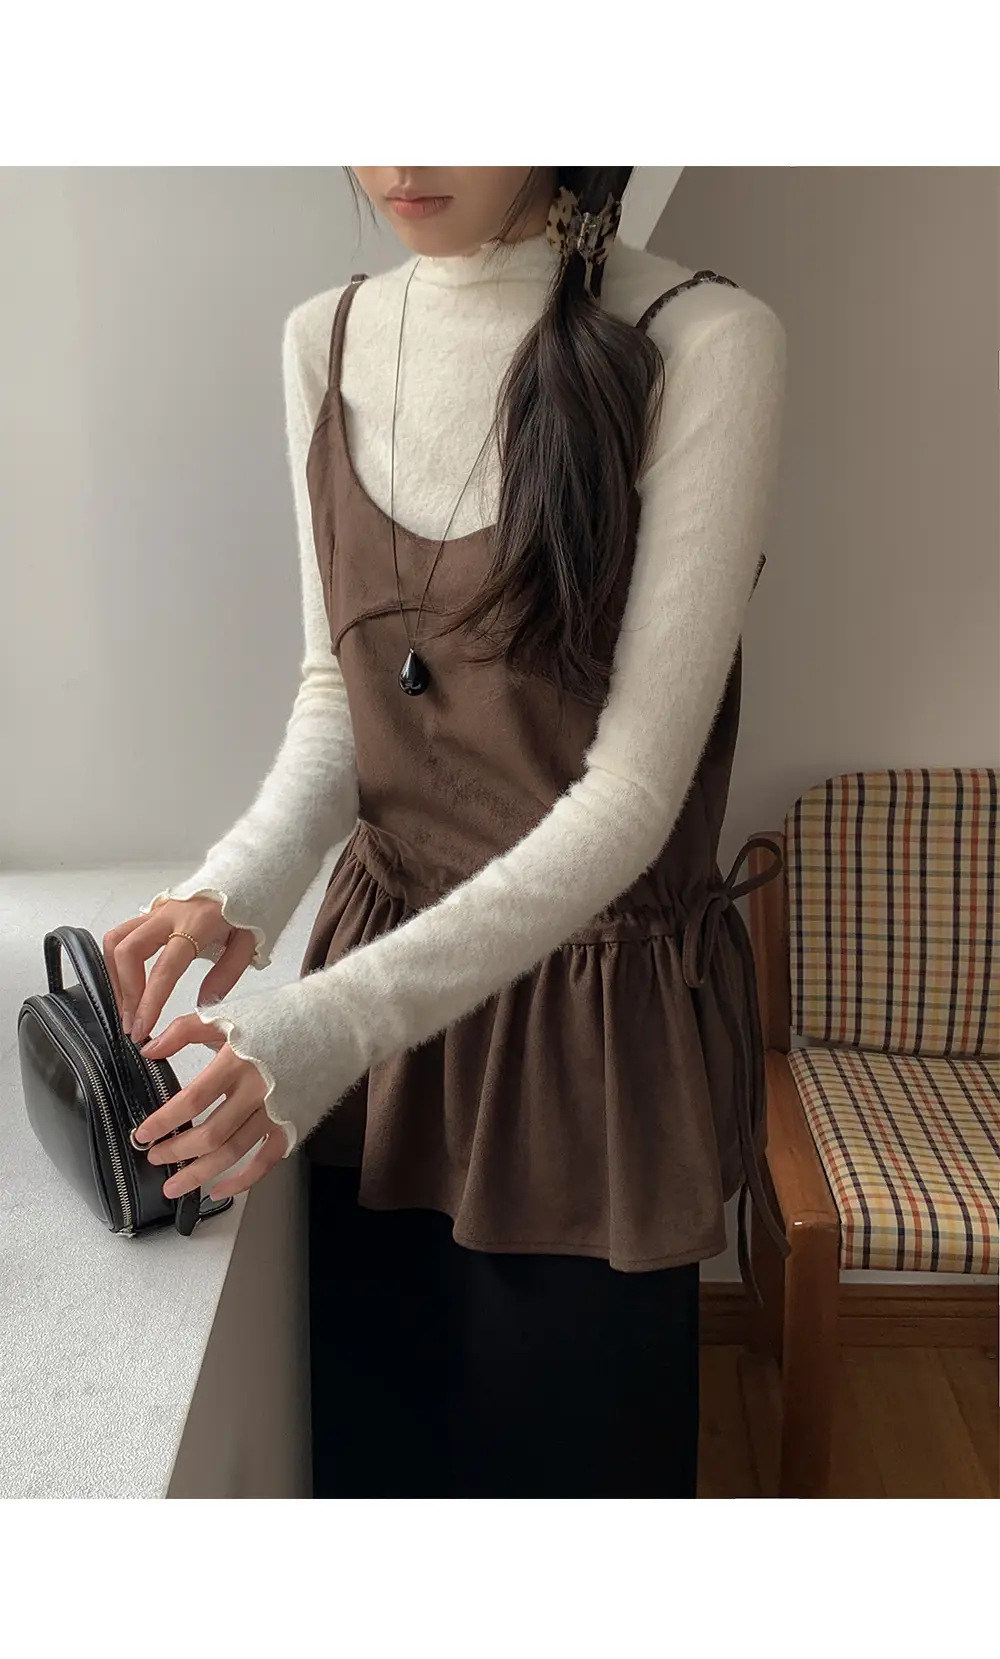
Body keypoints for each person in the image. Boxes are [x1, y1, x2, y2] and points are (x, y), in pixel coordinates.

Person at [102, 167, 787, 1498]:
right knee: (382, 1470)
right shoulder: (326, 337)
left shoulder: (705, 343)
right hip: (380, 1028)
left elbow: (630, 802)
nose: (402, 155)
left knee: (572, 1489)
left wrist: (320, 1029)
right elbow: (342, 694)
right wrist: (237, 883)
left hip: (579, 1050)